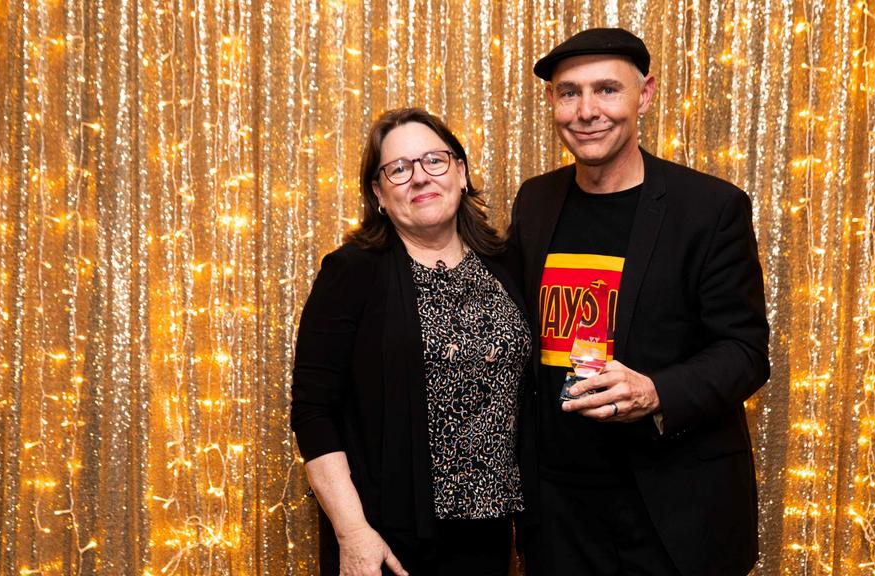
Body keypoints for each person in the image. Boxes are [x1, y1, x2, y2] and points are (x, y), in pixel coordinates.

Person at [508, 28, 770, 575]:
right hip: (559, 513)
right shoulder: (535, 200)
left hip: (672, 509)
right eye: (569, 92)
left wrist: (655, 392)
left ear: (644, 95)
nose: (586, 111)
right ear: (552, 101)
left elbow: (745, 351)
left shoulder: (710, 207)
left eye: (607, 89)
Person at [291, 107, 531, 576]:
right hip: (388, 539)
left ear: (460, 172)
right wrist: (353, 533)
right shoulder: (353, 272)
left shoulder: (505, 264)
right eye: (399, 169)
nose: (420, 178)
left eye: (434, 161)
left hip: (490, 532)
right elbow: (313, 412)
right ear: (379, 193)